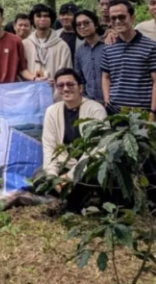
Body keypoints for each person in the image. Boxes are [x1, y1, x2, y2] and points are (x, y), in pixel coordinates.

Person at [41, 68, 109, 212]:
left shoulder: (95, 110)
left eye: (70, 84)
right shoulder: (52, 111)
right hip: (65, 164)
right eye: (60, 85)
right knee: (40, 177)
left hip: (89, 167)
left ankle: (83, 199)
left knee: (91, 179)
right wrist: (53, 177)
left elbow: (98, 148)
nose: (65, 89)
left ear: (80, 87)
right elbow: (49, 147)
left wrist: (71, 176)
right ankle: (73, 198)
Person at [101, 0, 156, 120]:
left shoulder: (152, 47)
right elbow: (105, 77)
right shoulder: (108, 48)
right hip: (115, 112)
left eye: (121, 17)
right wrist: (107, 102)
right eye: (113, 18)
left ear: (132, 18)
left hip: (142, 112)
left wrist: (153, 112)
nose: (117, 21)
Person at [23, 4, 73, 88]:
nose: (42, 19)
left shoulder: (62, 45)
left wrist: (56, 82)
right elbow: (21, 70)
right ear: (32, 19)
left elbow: (66, 72)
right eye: (38, 16)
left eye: (46, 16)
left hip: (55, 92)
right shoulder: (25, 44)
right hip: (31, 92)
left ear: (51, 19)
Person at [73, 10, 105, 104]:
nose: (82, 26)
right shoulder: (80, 51)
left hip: (112, 101)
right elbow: (79, 78)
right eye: (78, 24)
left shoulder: (108, 45)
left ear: (95, 24)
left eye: (86, 23)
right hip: (90, 102)